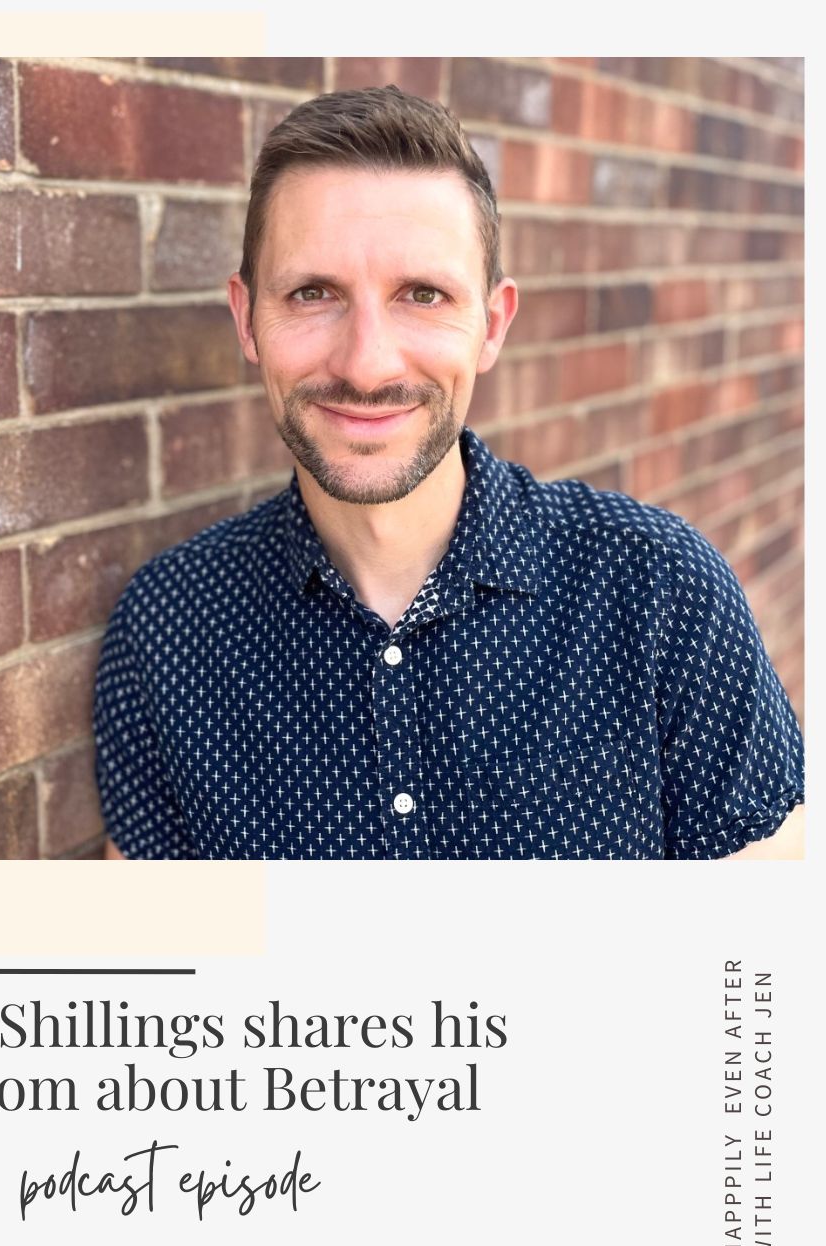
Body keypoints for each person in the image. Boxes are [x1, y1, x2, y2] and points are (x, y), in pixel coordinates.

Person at [92, 85, 804, 861]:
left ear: (491, 326)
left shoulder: (657, 589)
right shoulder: (167, 628)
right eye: (312, 293)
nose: (367, 365)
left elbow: (765, 965)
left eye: (423, 295)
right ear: (247, 320)